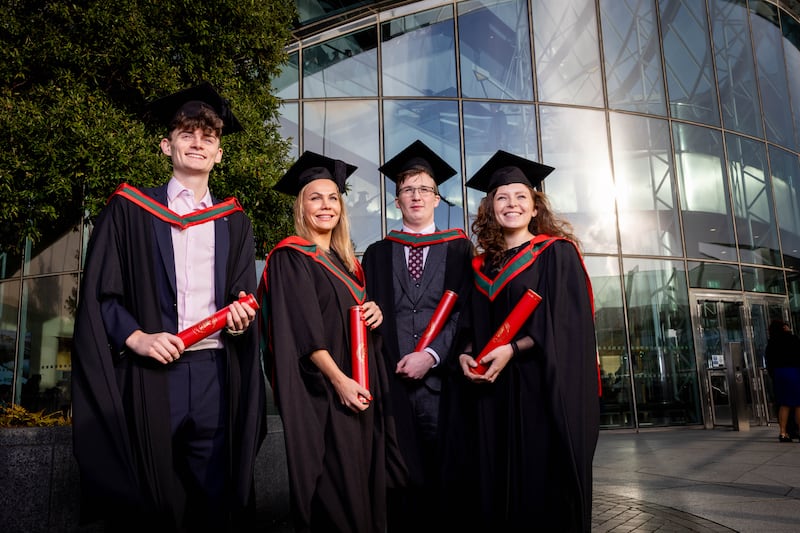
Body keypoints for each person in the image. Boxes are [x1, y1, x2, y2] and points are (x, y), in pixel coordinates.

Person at [71, 83, 266, 532]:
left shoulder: (234, 221)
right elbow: (103, 293)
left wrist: (239, 323)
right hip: (151, 374)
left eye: (209, 138)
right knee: (151, 496)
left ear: (220, 154)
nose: (198, 143)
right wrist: (137, 337)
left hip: (214, 374)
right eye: (187, 133)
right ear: (167, 145)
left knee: (214, 496)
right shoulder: (131, 210)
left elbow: (242, 297)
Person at [439, 150, 599, 532]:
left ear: (534, 206)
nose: (511, 204)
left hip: (537, 393)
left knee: (537, 488)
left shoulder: (556, 255)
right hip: (487, 395)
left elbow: (568, 326)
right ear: (490, 207)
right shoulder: (479, 266)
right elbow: (466, 326)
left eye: (520, 197)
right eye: (502, 197)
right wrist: (463, 355)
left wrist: (512, 348)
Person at [258, 151, 407, 533]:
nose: (326, 206)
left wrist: (373, 311)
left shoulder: (347, 263)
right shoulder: (291, 257)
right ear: (301, 206)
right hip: (326, 397)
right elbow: (304, 331)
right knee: (337, 494)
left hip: (360, 391)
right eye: (315, 197)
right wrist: (340, 382)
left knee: (363, 488)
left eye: (333, 198)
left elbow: (348, 320)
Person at [361, 140, 474, 532]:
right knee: (398, 481)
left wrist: (432, 356)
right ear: (396, 201)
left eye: (424, 188)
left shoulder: (460, 250)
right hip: (391, 387)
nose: (416, 195)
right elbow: (368, 312)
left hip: (444, 388)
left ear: (437, 199)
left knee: (447, 480)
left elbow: (467, 315)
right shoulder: (376, 253)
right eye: (407, 189)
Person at [765, 319, 800, 442]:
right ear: (784, 328)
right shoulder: (793, 339)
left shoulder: (772, 342)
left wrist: (774, 375)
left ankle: (783, 432)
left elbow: (769, 361)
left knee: (784, 404)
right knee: (797, 404)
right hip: (794, 372)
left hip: (779, 374)